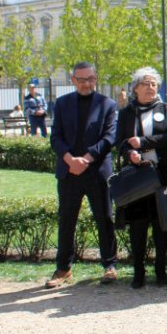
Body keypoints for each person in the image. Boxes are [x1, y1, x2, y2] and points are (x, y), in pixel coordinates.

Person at [46, 62, 118, 288]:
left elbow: (109, 138)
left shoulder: (107, 104)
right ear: (73, 80)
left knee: (104, 219)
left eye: (90, 79)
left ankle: (109, 265)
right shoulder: (62, 103)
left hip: (96, 172)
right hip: (69, 172)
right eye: (81, 79)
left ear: (96, 78)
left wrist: (86, 159)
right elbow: (55, 137)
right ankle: (63, 268)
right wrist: (70, 160)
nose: (87, 83)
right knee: (66, 221)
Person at [115, 67, 167, 288]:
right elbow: (120, 141)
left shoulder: (166, 108)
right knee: (138, 225)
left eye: (154, 84)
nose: (151, 88)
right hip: (137, 177)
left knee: (162, 225)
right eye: (146, 84)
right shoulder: (126, 112)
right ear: (135, 88)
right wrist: (129, 153)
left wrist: (143, 143)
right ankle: (138, 271)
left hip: (162, 174)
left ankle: (161, 270)